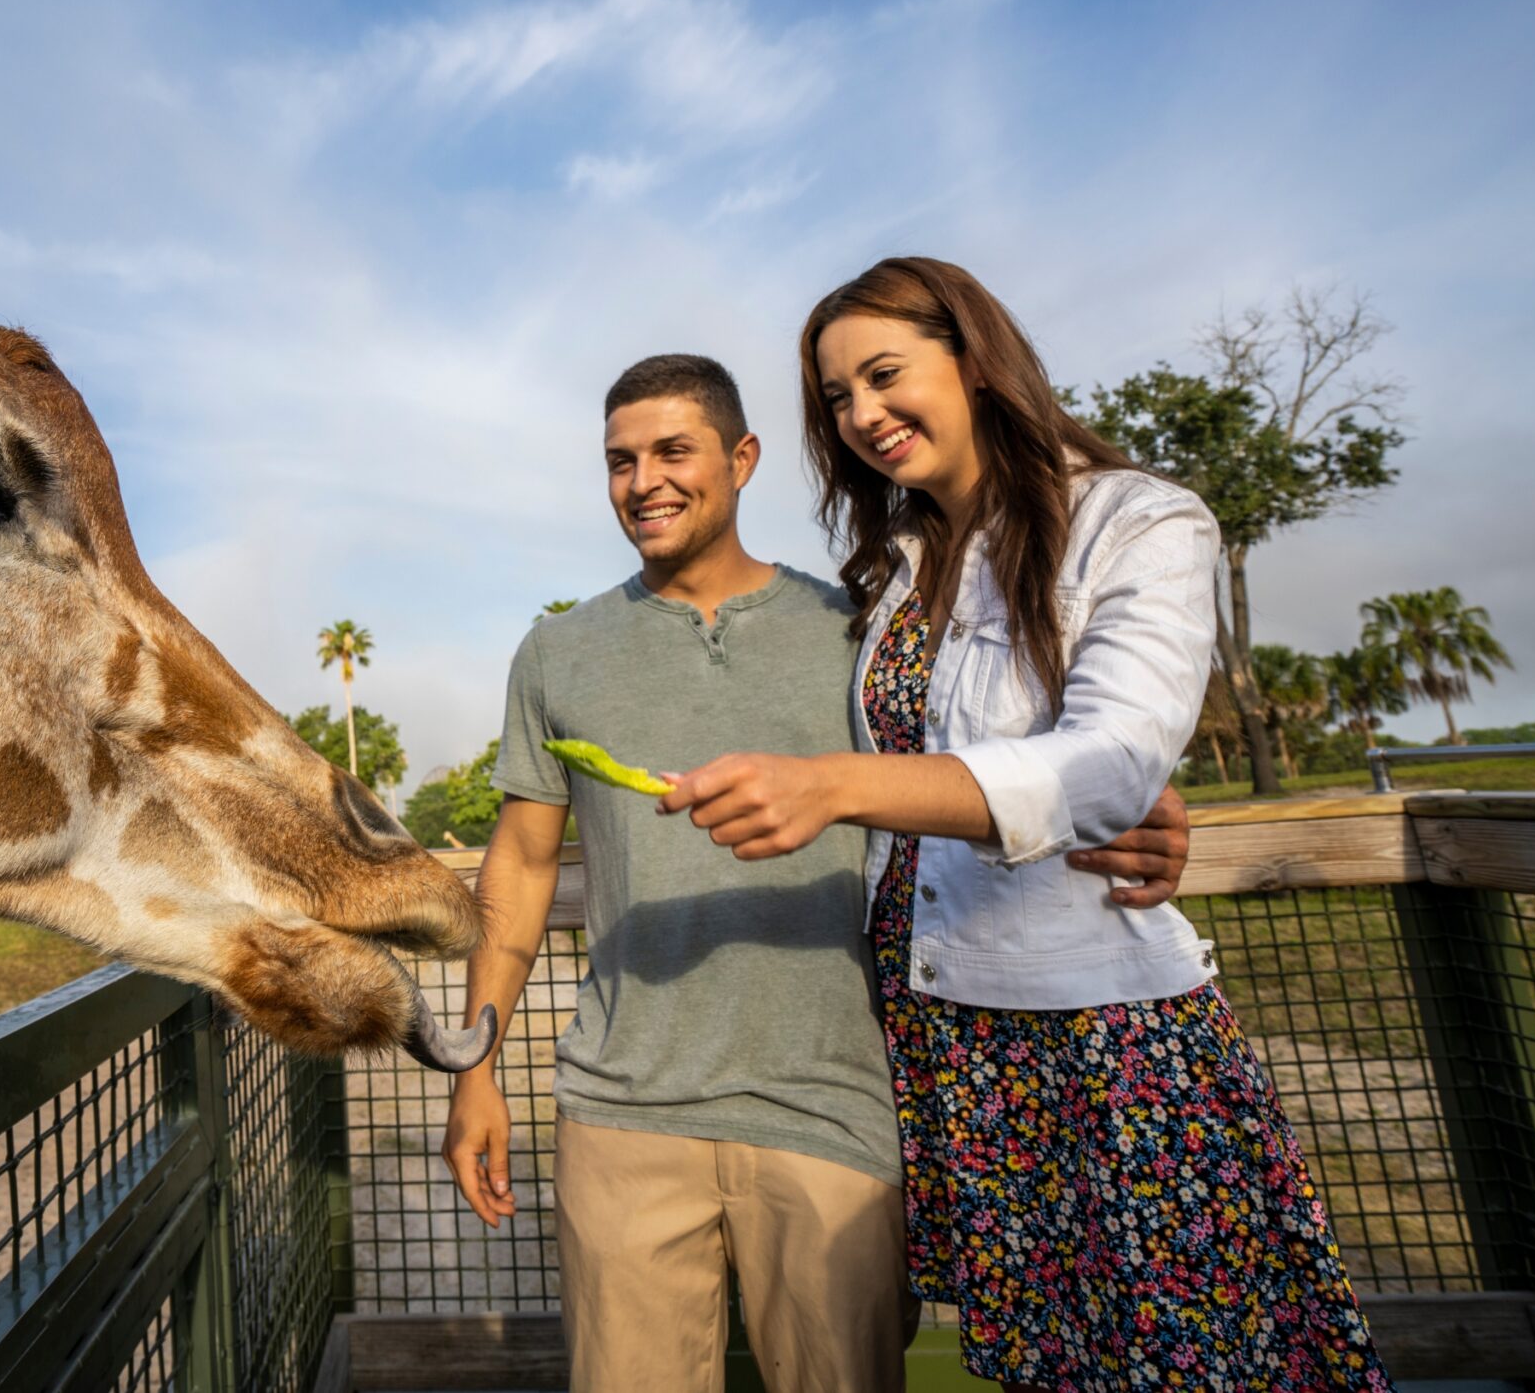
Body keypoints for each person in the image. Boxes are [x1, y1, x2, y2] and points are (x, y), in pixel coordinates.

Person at [657, 258, 1389, 1391]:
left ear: (976, 358)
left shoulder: (1138, 518)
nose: (860, 415)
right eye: (836, 399)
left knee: (1194, 1360)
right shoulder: (894, 571)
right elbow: (1011, 768)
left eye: (884, 373)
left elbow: (1113, 757)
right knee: (1048, 1366)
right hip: (942, 1033)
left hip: (1095, 1039)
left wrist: (841, 785)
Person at [441, 352, 1193, 1393]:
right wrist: (473, 1070)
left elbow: (1000, 758)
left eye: (672, 451)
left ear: (741, 458)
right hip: (618, 1111)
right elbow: (521, 867)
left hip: (835, 1106)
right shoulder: (555, 652)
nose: (642, 481)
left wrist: (1133, 805)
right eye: (618, 461)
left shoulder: (860, 628)